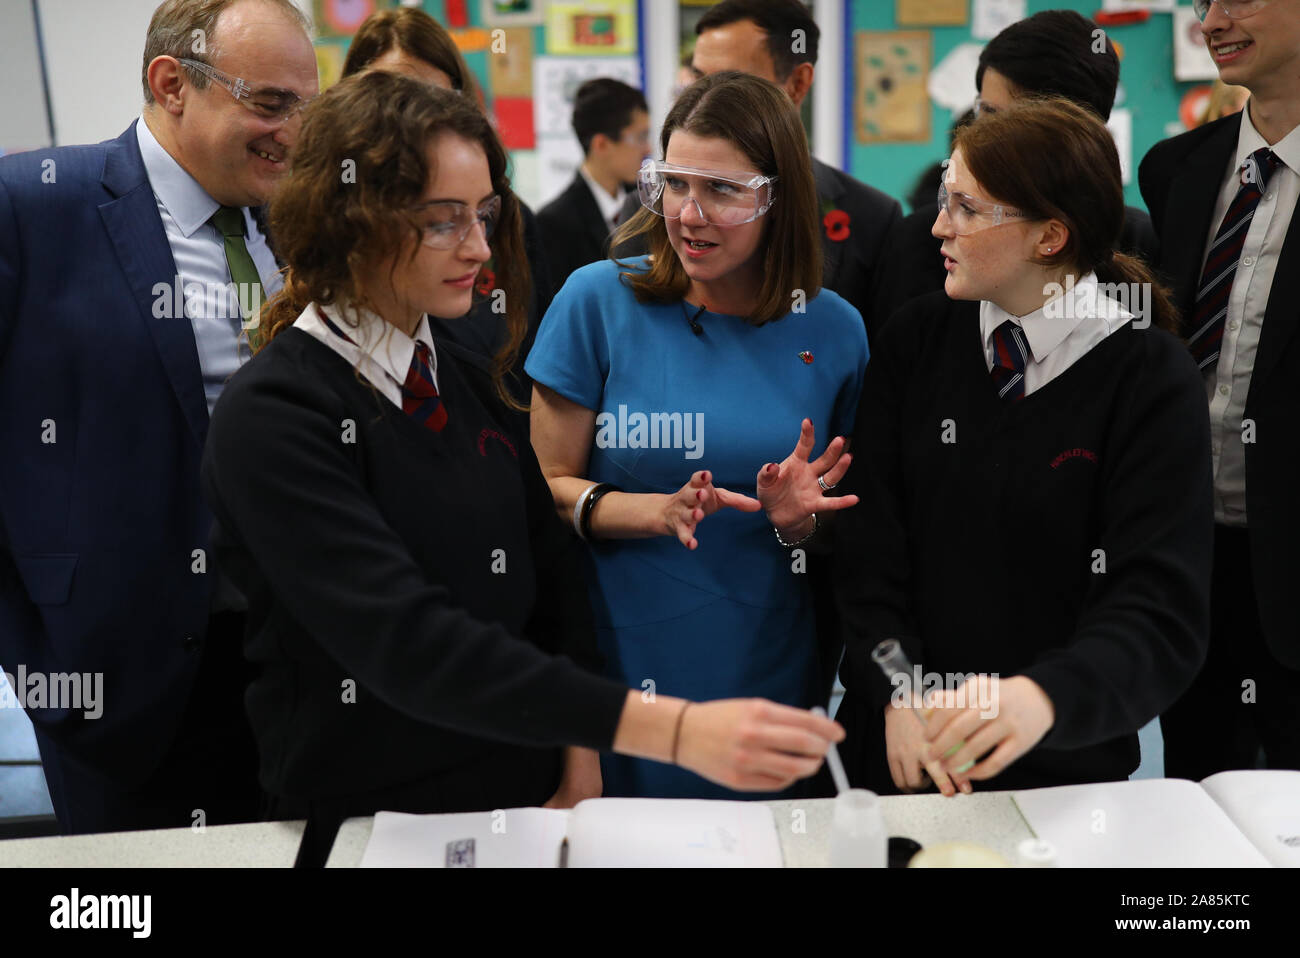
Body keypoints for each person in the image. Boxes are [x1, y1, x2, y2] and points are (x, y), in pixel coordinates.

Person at [201, 71, 844, 841]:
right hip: (369, 812)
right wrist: (665, 730)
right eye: (444, 222)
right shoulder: (276, 413)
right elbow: (404, 640)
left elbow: (551, 581)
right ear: (352, 220)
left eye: (483, 216)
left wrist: (577, 757)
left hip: (521, 799)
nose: (478, 247)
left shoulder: (463, 375)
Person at [834, 98, 1213, 796]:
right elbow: (869, 557)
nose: (939, 226)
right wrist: (899, 690)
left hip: (1067, 770)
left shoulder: (1148, 378)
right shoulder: (915, 342)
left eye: (968, 209)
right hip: (902, 759)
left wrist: (1041, 702)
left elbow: (1157, 606)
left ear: (1049, 237)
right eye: (946, 198)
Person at [0, 0, 317, 834]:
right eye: (270, 103)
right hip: (115, 681)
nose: (293, 132)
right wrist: (31, 640)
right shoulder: (33, 207)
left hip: (292, 667)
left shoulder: (291, 224)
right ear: (171, 84)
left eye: (306, 108)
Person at [527, 71, 867, 800]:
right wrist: (647, 509)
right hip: (617, 665)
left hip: (768, 660)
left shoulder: (834, 329)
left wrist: (798, 523)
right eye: (674, 182)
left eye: (722, 190)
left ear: (778, 199)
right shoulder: (596, 301)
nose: (689, 213)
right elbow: (539, 494)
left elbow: (847, 530)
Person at [1140, 0, 1300, 778]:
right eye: (1203, 1)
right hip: (1191, 561)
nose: (1214, 18)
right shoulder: (1177, 169)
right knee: (1195, 797)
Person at [614, 0, 901, 341]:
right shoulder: (650, 210)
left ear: (797, 83)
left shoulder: (873, 220)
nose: (707, 98)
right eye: (698, 78)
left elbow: (880, 371)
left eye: (733, 83)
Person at [873, 9, 1160, 326]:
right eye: (986, 112)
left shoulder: (1138, 243)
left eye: (1016, 122)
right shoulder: (923, 243)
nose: (989, 136)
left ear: (1084, 135)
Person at [341, 5, 552, 409]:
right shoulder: (326, 217)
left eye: (435, 100)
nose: (416, 124)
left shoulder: (510, 219)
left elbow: (534, 363)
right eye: (394, 99)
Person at [538, 78, 650, 291]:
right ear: (602, 144)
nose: (647, 148)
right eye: (640, 137)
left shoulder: (646, 204)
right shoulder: (552, 224)